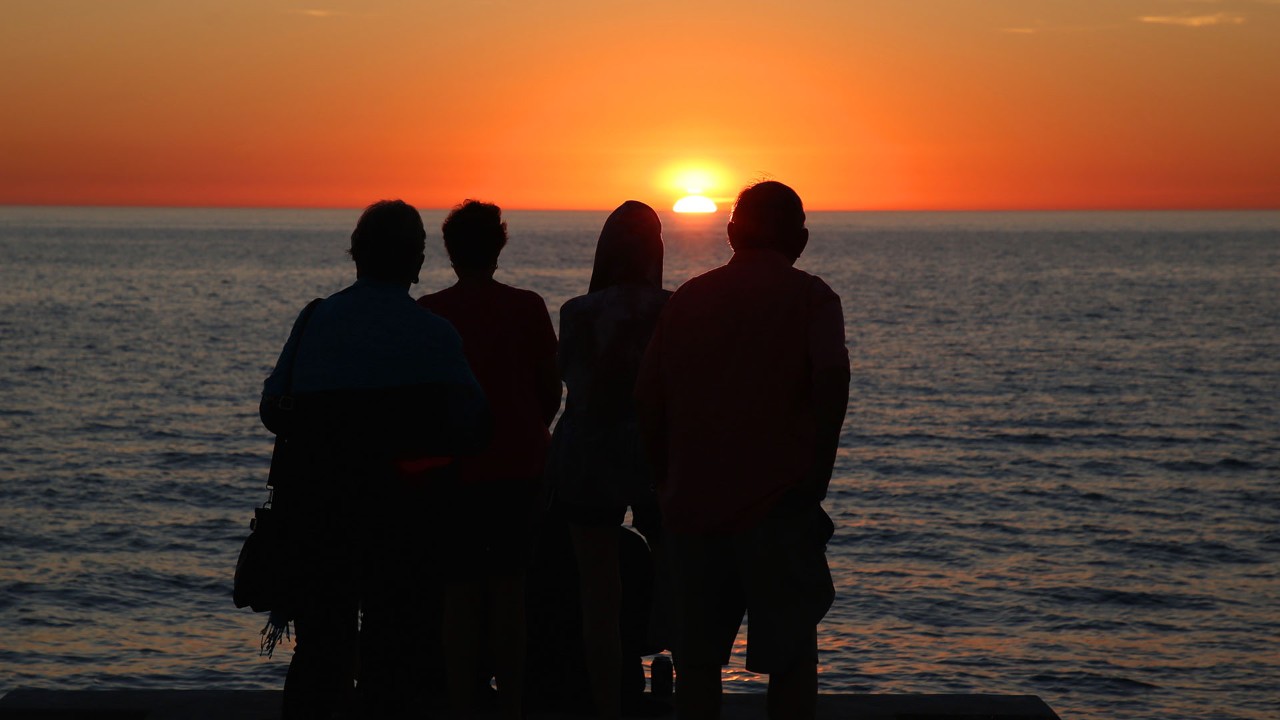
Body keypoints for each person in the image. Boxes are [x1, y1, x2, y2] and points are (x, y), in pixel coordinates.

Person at [260, 199, 490, 720]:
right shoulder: (435, 335)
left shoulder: (316, 320)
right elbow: (477, 425)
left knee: (321, 650)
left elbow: (274, 409)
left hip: (322, 522)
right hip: (406, 528)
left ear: (357, 256)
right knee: (398, 653)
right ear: (416, 261)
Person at [635, 181, 850, 720]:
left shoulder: (688, 299)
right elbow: (831, 384)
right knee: (793, 658)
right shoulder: (811, 297)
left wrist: (664, 481)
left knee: (698, 663)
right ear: (800, 237)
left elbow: (647, 399)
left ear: (732, 233)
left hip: (692, 507)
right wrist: (816, 477)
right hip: (779, 507)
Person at [418, 200, 561, 720]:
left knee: (459, 593)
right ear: (499, 247)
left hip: (453, 468)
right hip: (520, 464)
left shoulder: (430, 312)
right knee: (510, 591)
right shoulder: (528, 307)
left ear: (450, 251)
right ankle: (515, 703)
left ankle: (461, 702)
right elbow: (551, 392)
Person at [547, 200, 671, 720]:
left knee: (599, 596)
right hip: (656, 458)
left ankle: (605, 707)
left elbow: (567, 384)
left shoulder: (577, 311)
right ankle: (691, 696)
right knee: (680, 584)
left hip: (587, 458)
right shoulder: (672, 308)